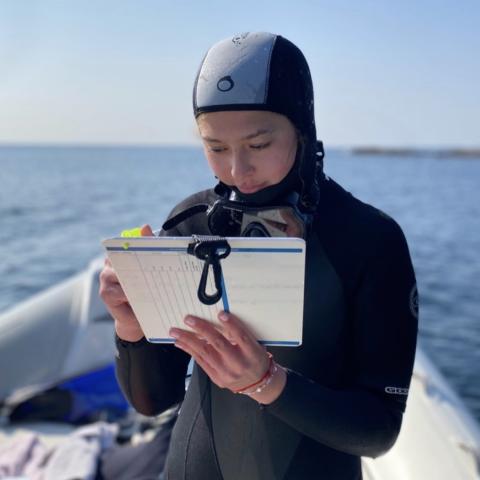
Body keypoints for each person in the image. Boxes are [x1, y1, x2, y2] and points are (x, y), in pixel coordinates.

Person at [99, 32, 418, 480]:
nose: (236, 170)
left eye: (259, 144)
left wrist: (266, 383)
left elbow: (378, 431)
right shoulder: (192, 224)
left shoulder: (369, 240)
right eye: (215, 148)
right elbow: (153, 400)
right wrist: (130, 326)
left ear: (302, 131)